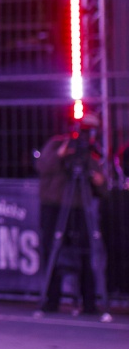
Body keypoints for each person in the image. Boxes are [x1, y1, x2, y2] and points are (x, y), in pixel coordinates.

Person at [36, 117, 105, 317]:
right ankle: (51, 300)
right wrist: (60, 154)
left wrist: (99, 181)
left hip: (78, 207)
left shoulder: (90, 154)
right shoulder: (56, 144)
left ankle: (89, 302)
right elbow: (41, 166)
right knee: (52, 252)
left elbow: (102, 188)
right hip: (54, 207)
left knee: (85, 253)